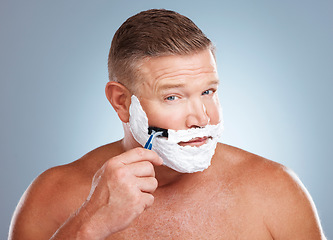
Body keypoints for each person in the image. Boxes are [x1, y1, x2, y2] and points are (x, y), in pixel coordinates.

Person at [9, 9, 326, 240]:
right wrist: (88, 224)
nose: (201, 118)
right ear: (121, 102)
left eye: (208, 92)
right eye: (173, 97)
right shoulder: (53, 195)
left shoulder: (275, 190)